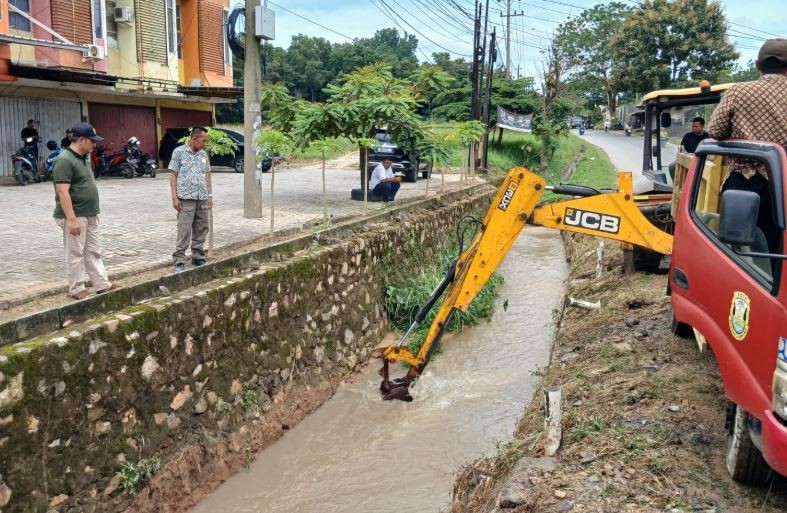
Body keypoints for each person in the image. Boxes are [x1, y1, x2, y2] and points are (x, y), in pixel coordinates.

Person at [708, 38, 787, 253]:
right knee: (776, 248)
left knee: (736, 250)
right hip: (781, 185)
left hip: (742, 183)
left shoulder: (738, 92)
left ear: (757, 66)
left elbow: (714, 131)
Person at [52, 123, 117, 300]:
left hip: (89, 213)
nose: (94, 144)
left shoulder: (83, 158)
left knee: (93, 250)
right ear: (81, 140)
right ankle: (76, 288)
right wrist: (71, 219)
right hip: (76, 214)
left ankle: (101, 284)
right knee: (75, 253)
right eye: (92, 141)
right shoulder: (64, 160)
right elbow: (62, 192)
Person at [169, 126, 213, 272]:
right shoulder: (179, 152)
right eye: (203, 140)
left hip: (202, 198)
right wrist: (174, 197)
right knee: (184, 229)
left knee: (202, 227)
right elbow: (173, 175)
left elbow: (207, 175)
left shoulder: (203, 154)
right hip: (185, 198)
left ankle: (198, 255)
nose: (205, 143)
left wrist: (210, 195)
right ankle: (179, 259)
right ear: (194, 139)